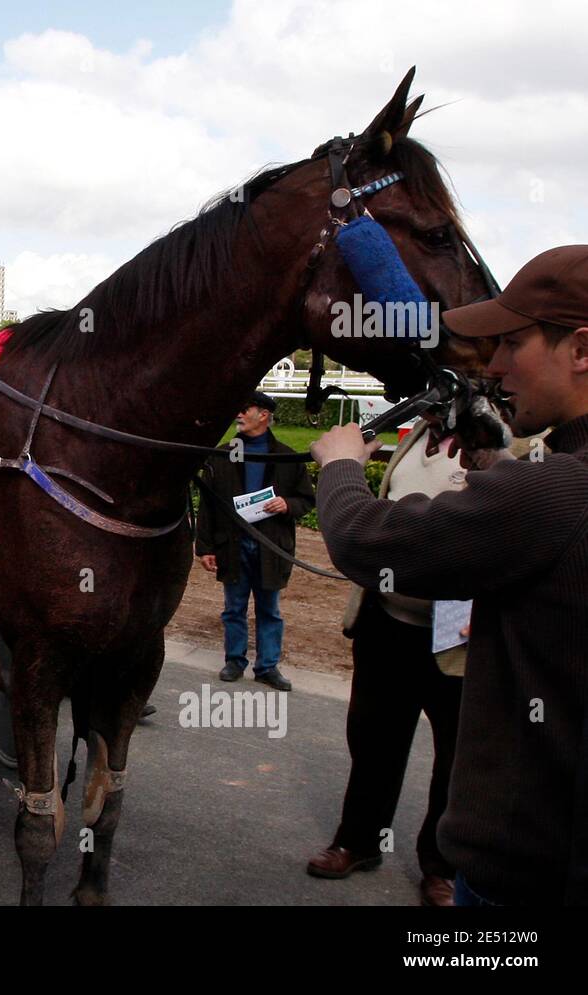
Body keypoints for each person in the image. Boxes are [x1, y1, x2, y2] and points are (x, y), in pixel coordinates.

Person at [312, 244, 588, 906]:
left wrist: (342, 465)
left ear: (580, 348)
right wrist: (498, 467)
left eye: (511, 343)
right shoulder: (547, 486)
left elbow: (362, 538)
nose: (492, 367)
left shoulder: (552, 488)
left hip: (524, 874)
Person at [307, 416, 468, 905]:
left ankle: (443, 868)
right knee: (374, 740)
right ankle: (359, 841)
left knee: (456, 758)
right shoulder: (417, 432)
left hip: (455, 628)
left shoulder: (512, 442)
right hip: (386, 616)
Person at [194, 389, 315, 692]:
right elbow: (207, 505)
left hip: (270, 545)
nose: (238, 414)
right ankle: (235, 660)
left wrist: (287, 505)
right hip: (232, 544)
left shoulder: (288, 457)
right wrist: (204, 548)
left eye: (244, 409)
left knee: (269, 609)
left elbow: (306, 500)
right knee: (233, 608)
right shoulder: (221, 455)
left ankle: (267, 667)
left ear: (263, 415)